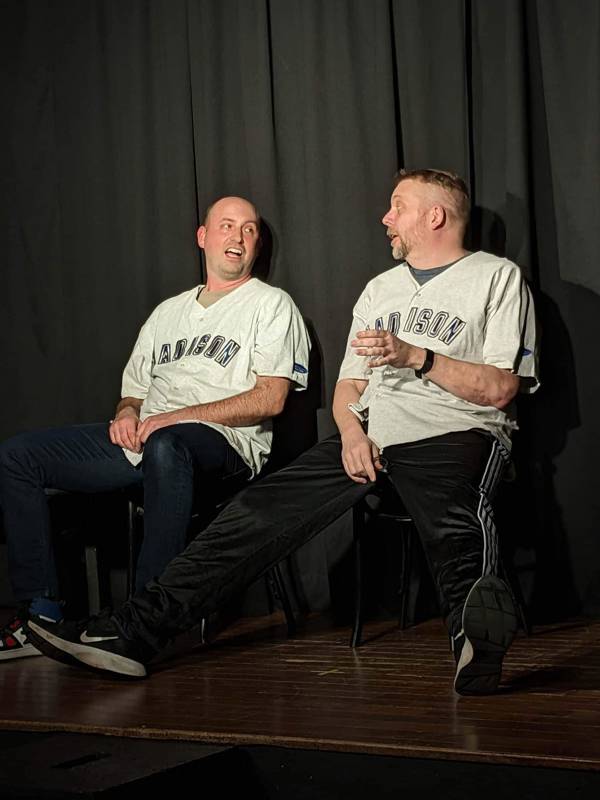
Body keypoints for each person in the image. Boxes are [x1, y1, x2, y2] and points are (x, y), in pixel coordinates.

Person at [28, 169, 539, 695]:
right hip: (368, 440)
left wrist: (418, 356)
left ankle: (473, 641)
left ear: (434, 215)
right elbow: (348, 386)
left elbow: (501, 388)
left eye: (397, 207)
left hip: (455, 433)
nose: (386, 218)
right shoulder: (380, 290)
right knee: (252, 515)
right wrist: (350, 432)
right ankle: (132, 633)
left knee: (456, 519)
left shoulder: (496, 278)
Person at [0, 196, 310, 661]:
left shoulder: (270, 305)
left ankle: (143, 623)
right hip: (149, 439)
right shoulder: (168, 313)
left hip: (225, 444)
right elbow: (133, 391)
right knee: (19, 455)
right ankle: (40, 617)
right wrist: (127, 413)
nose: (238, 237)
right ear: (203, 237)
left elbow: (271, 398)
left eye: (249, 230)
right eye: (227, 226)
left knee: (168, 444)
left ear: (257, 245)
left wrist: (175, 418)